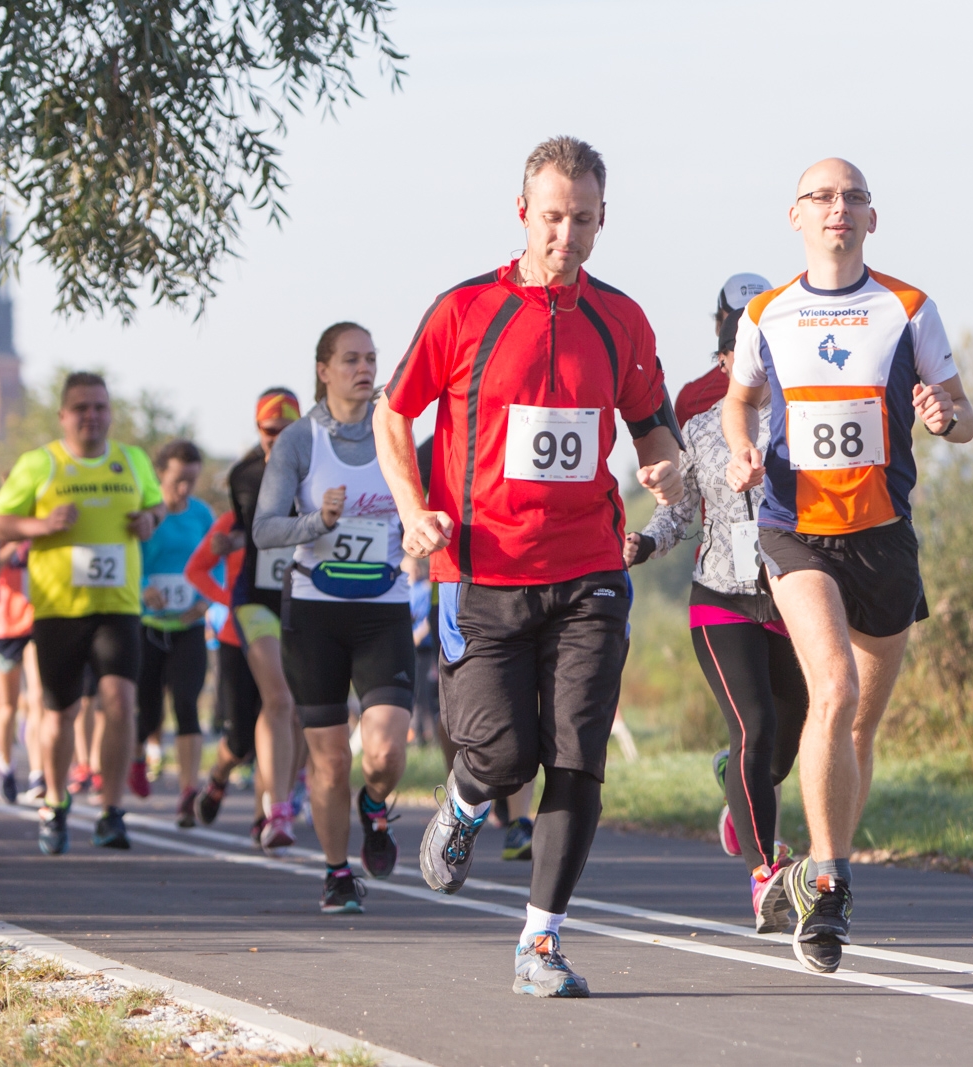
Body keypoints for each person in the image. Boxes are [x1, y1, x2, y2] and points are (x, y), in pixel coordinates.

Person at [375, 136, 683, 997]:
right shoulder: (466, 309)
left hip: (589, 569)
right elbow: (394, 416)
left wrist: (662, 465)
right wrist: (413, 511)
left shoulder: (621, 318)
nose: (567, 236)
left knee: (578, 755)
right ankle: (470, 799)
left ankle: (540, 941)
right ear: (523, 214)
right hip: (483, 570)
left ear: (601, 220)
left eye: (583, 220)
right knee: (504, 755)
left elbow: (652, 421)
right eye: (553, 217)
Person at [722, 157, 973, 973]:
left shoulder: (908, 308)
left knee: (861, 723)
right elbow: (740, 397)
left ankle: (810, 864)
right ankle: (828, 888)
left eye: (854, 197)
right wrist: (739, 450)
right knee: (835, 688)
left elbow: (962, 413)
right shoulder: (766, 312)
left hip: (884, 536)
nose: (840, 207)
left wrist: (945, 415)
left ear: (873, 219)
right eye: (824, 197)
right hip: (796, 528)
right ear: (796, 216)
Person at [630, 308, 807, 932]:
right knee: (754, 727)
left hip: (793, 598)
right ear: (728, 362)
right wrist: (645, 544)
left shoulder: (801, 427)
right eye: (745, 354)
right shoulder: (702, 431)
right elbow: (680, 512)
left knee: (788, 738)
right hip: (721, 600)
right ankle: (766, 875)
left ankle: (739, 787)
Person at [255, 322, 414, 914]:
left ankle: (375, 808)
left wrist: (427, 529)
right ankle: (336, 872)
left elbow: (426, 506)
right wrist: (315, 524)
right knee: (328, 760)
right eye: (350, 359)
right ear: (324, 370)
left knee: (383, 755)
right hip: (314, 615)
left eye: (371, 358)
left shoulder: (396, 433)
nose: (363, 368)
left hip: (383, 611)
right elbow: (264, 529)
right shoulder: (299, 441)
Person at [0, 371, 166, 855]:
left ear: (109, 413)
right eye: (81, 407)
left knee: (120, 703)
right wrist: (40, 524)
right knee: (60, 713)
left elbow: (156, 506)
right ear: (64, 415)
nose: (91, 416)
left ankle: (110, 809)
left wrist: (149, 519)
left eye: (100, 407)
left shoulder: (132, 460)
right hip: (58, 608)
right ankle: (57, 801)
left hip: (118, 605)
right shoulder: (40, 463)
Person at [228, 388, 308, 853]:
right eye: (268, 431)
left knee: (295, 706)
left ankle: (277, 791)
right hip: (256, 598)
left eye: (287, 431)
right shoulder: (244, 474)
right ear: (257, 430)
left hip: (303, 597)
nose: (277, 439)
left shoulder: (318, 467)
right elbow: (250, 525)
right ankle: (278, 809)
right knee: (277, 697)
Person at [135, 439, 215, 827]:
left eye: (192, 481)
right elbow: (130, 556)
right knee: (146, 710)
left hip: (189, 625)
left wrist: (205, 601)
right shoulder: (147, 514)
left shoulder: (202, 515)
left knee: (186, 703)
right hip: (148, 625)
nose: (185, 489)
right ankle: (137, 756)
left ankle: (187, 791)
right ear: (160, 474)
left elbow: (217, 561)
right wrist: (142, 586)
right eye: (179, 480)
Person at [185, 508, 263, 826]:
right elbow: (197, 569)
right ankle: (218, 777)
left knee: (281, 724)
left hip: (291, 633)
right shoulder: (234, 520)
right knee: (241, 741)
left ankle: (268, 815)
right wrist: (228, 599)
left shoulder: (307, 508)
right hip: (237, 636)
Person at [673, 274, 772, 427]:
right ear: (719, 327)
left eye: (759, 317)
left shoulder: (801, 384)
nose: (749, 327)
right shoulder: (693, 399)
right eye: (738, 318)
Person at [0, 537, 42, 802]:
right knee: (7, 704)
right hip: (5, 625)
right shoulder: (1, 526)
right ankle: (5, 766)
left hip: (38, 620)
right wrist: (11, 547)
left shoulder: (45, 529)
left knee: (39, 699)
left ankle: (38, 773)